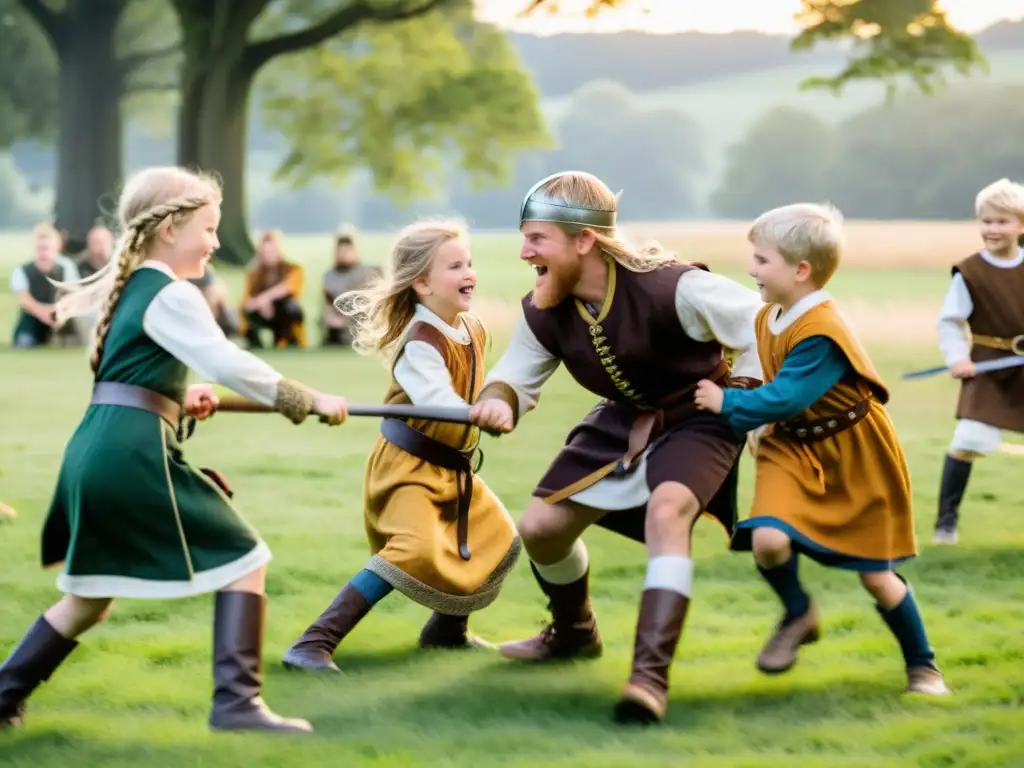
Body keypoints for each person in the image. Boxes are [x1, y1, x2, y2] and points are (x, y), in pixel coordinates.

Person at [0, 166, 350, 735]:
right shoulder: (171, 292)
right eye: (208, 228)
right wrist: (306, 399)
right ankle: (238, 705)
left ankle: (2, 696)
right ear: (168, 229)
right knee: (246, 560)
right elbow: (229, 361)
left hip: (97, 449)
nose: (216, 241)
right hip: (131, 456)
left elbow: (136, 379)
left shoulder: (137, 288)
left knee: (88, 597)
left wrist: (182, 398)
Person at [468, 171, 763, 725]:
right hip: (621, 419)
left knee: (667, 511)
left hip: (701, 413)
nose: (524, 251)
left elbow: (763, 326)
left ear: (584, 240)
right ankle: (575, 634)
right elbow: (517, 373)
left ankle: (649, 679)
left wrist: (742, 397)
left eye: (537, 239)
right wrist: (500, 400)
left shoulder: (675, 286)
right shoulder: (544, 307)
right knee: (540, 528)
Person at [694, 202, 951, 696]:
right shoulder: (769, 314)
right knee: (768, 541)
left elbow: (787, 395)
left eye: (762, 260)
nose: (751, 269)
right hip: (789, 446)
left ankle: (924, 667)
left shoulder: (821, 332)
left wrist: (727, 401)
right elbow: (771, 381)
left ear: (801, 269)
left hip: (853, 451)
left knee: (877, 578)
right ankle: (799, 613)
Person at [282, 219, 520, 672]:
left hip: (453, 466)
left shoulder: (472, 328)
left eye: (469, 262)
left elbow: (481, 386)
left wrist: (494, 401)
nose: (468, 272)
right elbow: (436, 399)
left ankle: (446, 632)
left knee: (494, 537)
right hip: (408, 466)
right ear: (423, 283)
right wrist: (475, 414)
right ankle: (313, 643)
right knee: (411, 548)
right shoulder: (420, 343)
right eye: (455, 266)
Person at [932, 178, 1024, 544]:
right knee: (969, 440)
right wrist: (957, 358)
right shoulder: (969, 272)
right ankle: (945, 526)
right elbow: (950, 322)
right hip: (986, 366)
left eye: (1002, 221)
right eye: (986, 221)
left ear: (1021, 225)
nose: (992, 229)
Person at [9, 223, 82, 348]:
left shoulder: (66, 267)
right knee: (24, 342)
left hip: (62, 315)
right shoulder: (21, 270)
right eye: (40, 247)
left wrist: (59, 310)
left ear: (56, 247)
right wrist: (44, 312)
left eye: (46, 247)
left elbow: (74, 294)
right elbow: (24, 299)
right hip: (33, 317)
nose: (43, 251)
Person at [239, 230, 307, 349]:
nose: (268, 255)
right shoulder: (255, 274)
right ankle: (255, 344)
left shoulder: (293, 269)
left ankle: (289, 343)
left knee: (293, 308)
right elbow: (246, 299)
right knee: (247, 310)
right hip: (262, 311)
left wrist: (265, 298)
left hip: (283, 312)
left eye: (271, 251)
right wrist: (258, 304)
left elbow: (287, 287)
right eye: (264, 252)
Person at [321, 227, 381, 347]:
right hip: (336, 325)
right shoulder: (329, 276)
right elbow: (328, 302)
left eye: (346, 252)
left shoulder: (365, 274)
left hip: (360, 324)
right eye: (340, 252)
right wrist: (330, 316)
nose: (343, 255)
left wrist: (345, 322)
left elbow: (368, 305)